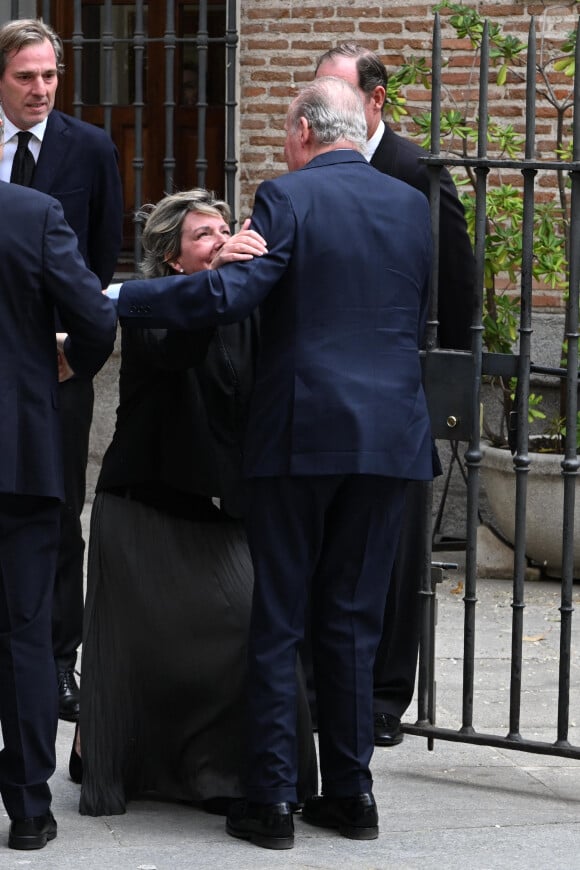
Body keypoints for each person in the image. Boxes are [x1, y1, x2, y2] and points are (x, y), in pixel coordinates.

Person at [110, 76, 436, 850]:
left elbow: (232, 296)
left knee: (281, 616)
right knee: (354, 619)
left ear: (301, 133)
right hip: (391, 437)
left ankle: (273, 801)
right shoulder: (410, 204)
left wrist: (126, 296)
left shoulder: (287, 198)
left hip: (302, 434)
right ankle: (353, 796)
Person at [74, 189, 318, 818]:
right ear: (172, 259)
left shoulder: (245, 306)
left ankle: (232, 771)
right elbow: (174, 351)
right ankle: (152, 762)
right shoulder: (154, 308)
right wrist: (216, 281)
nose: (220, 242)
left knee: (253, 635)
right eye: (203, 236)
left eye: (223, 230)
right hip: (148, 503)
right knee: (154, 652)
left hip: (220, 507)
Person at [315, 43, 476, 747]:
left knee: (395, 550)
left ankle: (383, 694)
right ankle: (324, 686)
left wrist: (434, 384)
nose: (322, 109)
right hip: (326, 391)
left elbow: (457, 288)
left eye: (337, 94)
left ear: (374, 102)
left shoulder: (416, 173)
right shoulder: (312, 168)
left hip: (397, 389)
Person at [0, 18, 124, 723]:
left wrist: (76, 351)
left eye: (50, 76)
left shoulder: (90, 147)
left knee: (56, 509)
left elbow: (102, 259)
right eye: (26, 77)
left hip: (60, 371)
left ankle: (56, 659)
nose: (41, 90)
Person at [0, 108, 116, 851]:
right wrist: (66, 361)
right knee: (24, 632)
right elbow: (96, 315)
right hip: (21, 453)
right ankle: (30, 808)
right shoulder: (33, 215)